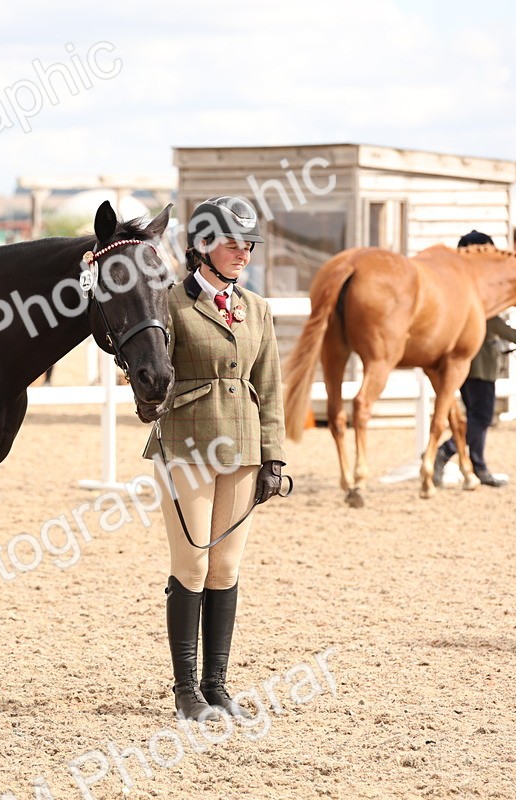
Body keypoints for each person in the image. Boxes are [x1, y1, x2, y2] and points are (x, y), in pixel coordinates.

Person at [142, 196, 286, 721]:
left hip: (243, 448)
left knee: (225, 568)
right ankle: (186, 690)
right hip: (187, 443)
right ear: (202, 245)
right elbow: (150, 369)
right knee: (193, 563)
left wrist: (273, 458)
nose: (243, 252)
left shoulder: (258, 309)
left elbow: (269, 387)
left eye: (248, 244)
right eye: (232, 243)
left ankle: (217, 686)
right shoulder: (169, 305)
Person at [432, 230, 516, 488]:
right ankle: (444, 451)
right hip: (479, 365)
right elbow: (494, 324)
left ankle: (478, 466)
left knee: (475, 416)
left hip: (472, 364)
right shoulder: (476, 293)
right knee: (481, 417)